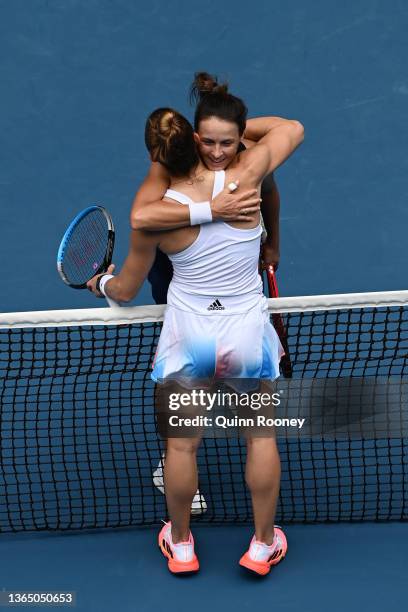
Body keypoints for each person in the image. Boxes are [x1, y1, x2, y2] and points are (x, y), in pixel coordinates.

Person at [87, 96, 304, 576]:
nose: (220, 148)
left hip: (190, 335)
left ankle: (181, 545)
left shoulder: (159, 213)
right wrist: (244, 135)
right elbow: (292, 127)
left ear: (158, 156)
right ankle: (262, 545)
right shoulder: (247, 176)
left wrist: (99, 283)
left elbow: (124, 287)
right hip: (246, 332)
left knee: (181, 446)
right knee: (261, 438)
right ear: (194, 139)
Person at [132, 73, 281, 306]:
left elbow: (269, 191)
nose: (217, 153)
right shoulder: (169, 162)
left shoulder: (252, 161)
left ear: (240, 136)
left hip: (234, 279)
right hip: (175, 264)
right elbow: (140, 218)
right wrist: (212, 210)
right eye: (208, 142)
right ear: (195, 138)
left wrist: (273, 244)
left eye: (227, 141)